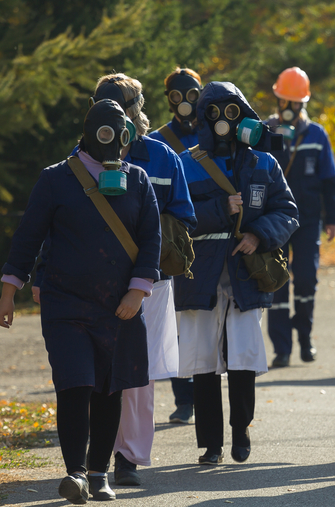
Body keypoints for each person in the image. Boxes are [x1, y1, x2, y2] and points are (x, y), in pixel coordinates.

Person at [0, 98, 162, 503]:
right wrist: (8, 293)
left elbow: (151, 241)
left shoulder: (137, 180)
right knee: (75, 385)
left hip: (118, 308)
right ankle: (76, 474)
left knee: (108, 390)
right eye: (106, 134)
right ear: (88, 136)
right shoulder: (56, 179)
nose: (114, 145)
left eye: (121, 136)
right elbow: (28, 237)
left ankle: (100, 473)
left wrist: (137, 292)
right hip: (66, 305)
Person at [175, 81, 299, 465]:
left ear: (243, 114)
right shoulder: (186, 162)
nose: (224, 121)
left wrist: (258, 235)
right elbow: (175, 218)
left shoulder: (264, 163)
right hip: (201, 272)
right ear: (204, 117)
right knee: (203, 359)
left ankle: (241, 431)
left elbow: (288, 211)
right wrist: (220, 209)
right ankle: (211, 444)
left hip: (245, 271)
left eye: (232, 112)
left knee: (244, 355)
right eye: (215, 113)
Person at [88, 73, 197, 485]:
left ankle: (129, 457)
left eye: (126, 108)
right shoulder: (81, 158)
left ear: (137, 111)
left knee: (139, 371)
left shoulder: (164, 157)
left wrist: (148, 230)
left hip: (149, 281)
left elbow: (185, 214)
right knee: (96, 368)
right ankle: (100, 449)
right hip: (96, 279)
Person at [265, 67, 335, 367]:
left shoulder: (316, 134)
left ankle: (305, 339)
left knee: (306, 280)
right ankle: (281, 348)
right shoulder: (267, 131)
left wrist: (332, 219)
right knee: (277, 282)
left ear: (303, 104)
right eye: (284, 102)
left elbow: (330, 181)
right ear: (278, 101)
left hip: (308, 220)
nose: (289, 108)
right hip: (274, 220)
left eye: (294, 102)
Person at [147, 67, 204, 426]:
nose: (184, 102)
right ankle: (184, 397)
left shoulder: (214, 133)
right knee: (176, 321)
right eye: (177, 95)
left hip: (210, 237)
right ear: (168, 98)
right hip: (171, 241)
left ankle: (207, 387)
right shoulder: (158, 141)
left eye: (191, 94)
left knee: (202, 320)